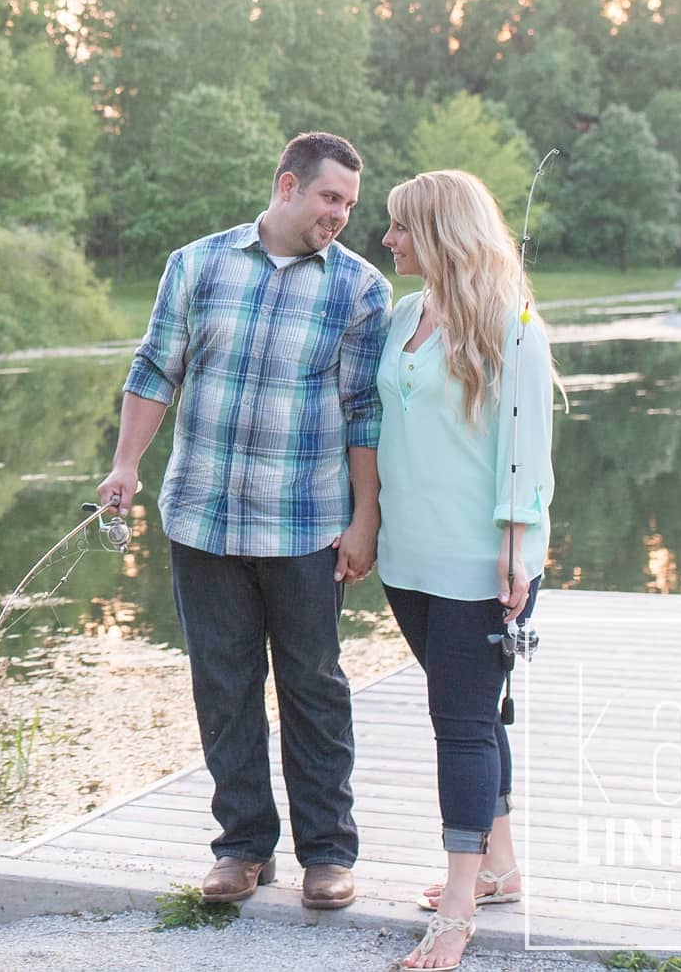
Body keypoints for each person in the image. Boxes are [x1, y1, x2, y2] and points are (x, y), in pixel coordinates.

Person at [97, 132, 390, 910]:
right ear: (287, 184)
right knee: (223, 685)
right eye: (331, 197)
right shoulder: (197, 264)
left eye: (351, 205)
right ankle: (242, 848)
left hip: (304, 526)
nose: (341, 215)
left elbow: (366, 412)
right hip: (202, 517)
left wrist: (366, 519)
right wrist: (127, 463)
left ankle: (327, 853)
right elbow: (157, 367)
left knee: (314, 686)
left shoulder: (360, 290)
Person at [375, 169, 557, 971]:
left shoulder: (511, 326)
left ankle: (456, 908)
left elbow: (526, 459)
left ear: (442, 232)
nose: (388, 240)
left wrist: (515, 553)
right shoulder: (404, 315)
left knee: (458, 723)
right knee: (474, 713)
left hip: (483, 565)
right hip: (406, 557)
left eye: (401, 227)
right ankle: (500, 866)